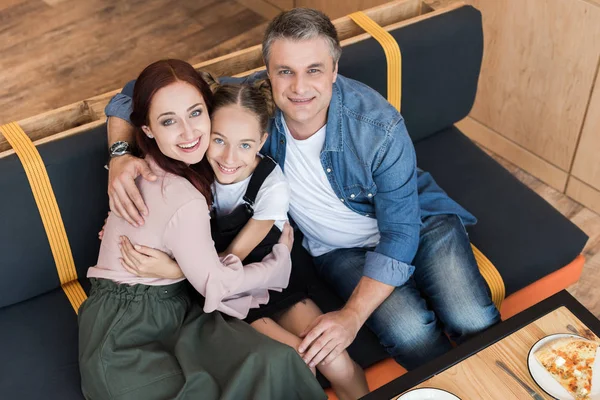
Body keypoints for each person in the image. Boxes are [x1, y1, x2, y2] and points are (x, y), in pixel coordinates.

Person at [103, 8, 501, 373]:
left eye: (314, 70)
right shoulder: (254, 103)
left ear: (333, 69)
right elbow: (132, 92)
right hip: (337, 251)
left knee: (472, 318)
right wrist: (120, 154)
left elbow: (400, 234)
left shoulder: (379, 127)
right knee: (410, 333)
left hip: (420, 221)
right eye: (285, 71)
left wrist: (351, 317)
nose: (299, 88)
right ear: (267, 72)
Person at [79, 59, 326, 400]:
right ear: (147, 129)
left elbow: (245, 91)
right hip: (128, 332)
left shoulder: (198, 165)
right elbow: (217, 283)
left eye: (196, 113)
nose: (189, 132)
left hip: (182, 306)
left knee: (276, 360)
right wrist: (277, 264)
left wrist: (120, 153)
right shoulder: (180, 192)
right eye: (168, 121)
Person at [118, 77, 369, 400]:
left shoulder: (271, 186)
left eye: (245, 145)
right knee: (298, 360)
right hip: (231, 301)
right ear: (205, 129)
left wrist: (174, 270)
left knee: (333, 358)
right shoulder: (186, 172)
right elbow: (130, 94)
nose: (229, 158)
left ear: (262, 141)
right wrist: (119, 160)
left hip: (266, 278)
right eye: (219, 140)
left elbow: (228, 261)